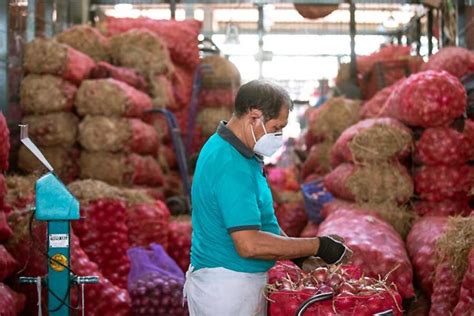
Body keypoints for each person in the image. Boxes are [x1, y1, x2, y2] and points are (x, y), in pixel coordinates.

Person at [184, 80, 351, 316]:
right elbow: (249, 244)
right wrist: (318, 245)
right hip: (227, 290)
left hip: (238, 283)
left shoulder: (241, 153)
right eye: (276, 127)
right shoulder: (230, 164)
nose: (278, 135)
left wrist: (301, 256)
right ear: (254, 117)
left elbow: (262, 223)